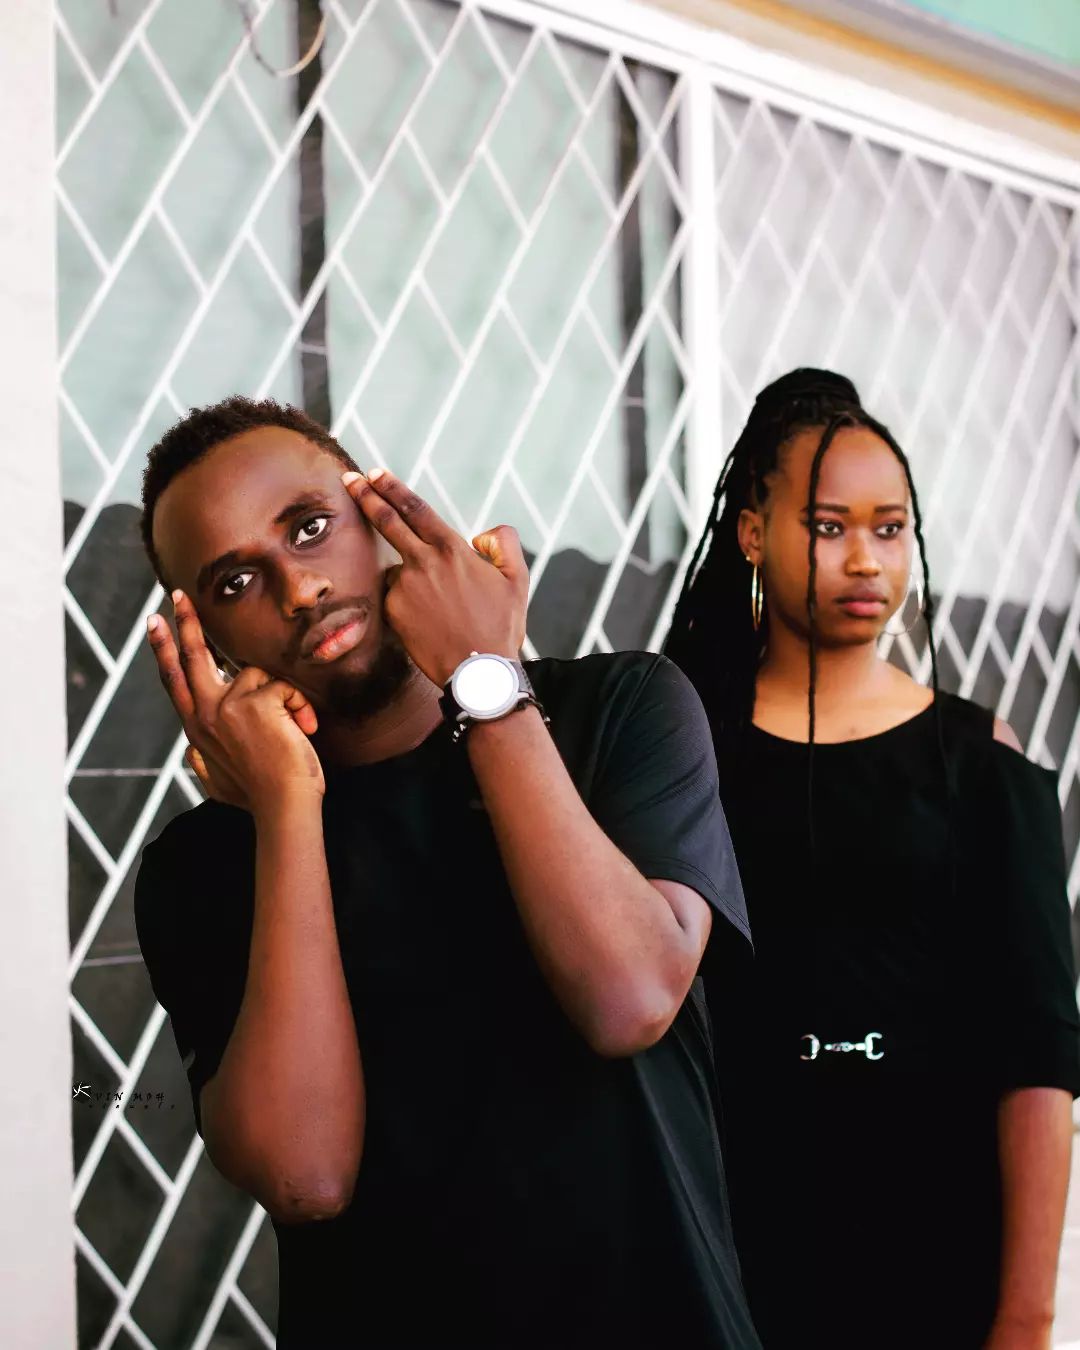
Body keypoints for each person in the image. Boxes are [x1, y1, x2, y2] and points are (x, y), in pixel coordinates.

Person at [132, 395, 761, 1350]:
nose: (298, 589)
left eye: (310, 527)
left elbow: (628, 998)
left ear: (379, 517)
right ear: (208, 645)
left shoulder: (619, 710)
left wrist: (483, 676)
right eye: (236, 582)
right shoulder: (205, 866)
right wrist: (288, 809)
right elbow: (306, 1176)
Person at [662, 367, 1080, 1349]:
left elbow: (1037, 1051)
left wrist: (1024, 1319)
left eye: (889, 530)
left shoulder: (976, 760)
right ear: (753, 533)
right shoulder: (684, 750)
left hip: (934, 1254)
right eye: (828, 526)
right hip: (728, 1248)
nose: (865, 560)